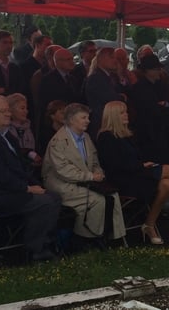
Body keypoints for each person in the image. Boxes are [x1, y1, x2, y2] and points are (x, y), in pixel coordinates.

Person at [0, 94, 61, 262]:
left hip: (10, 190)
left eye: (8, 110)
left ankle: (44, 243)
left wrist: (36, 186)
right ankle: (35, 250)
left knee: (53, 196)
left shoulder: (7, 136)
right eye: (3, 111)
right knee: (44, 202)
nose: (8, 114)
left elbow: (20, 169)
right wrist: (27, 189)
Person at [96, 101, 169, 245]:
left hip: (135, 173)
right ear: (114, 116)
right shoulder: (106, 137)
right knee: (167, 169)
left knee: (166, 184)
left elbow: (134, 158)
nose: (126, 115)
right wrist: (141, 165)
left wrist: (142, 164)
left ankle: (149, 225)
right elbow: (115, 165)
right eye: (122, 113)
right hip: (122, 180)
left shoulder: (126, 134)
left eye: (126, 111)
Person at [43, 103, 126, 243]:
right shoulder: (58, 142)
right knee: (97, 200)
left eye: (88, 117)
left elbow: (94, 161)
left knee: (113, 195)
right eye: (83, 117)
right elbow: (64, 171)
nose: (88, 121)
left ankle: (115, 237)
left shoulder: (86, 137)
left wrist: (97, 172)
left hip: (84, 181)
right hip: (62, 185)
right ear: (71, 120)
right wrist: (91, 176)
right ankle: (89, 239)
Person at [84, 47, 126, 136]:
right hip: (103, 123)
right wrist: (122, 97)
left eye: (115, 58)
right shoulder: (96, 78)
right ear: (100, 59)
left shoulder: (110, 76)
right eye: (111, 57)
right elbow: (112, 99)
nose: (115, 61)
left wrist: (120, 75)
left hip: (110, 123)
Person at [6, 93, 42, 179]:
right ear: (10, 110)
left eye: (26, 108)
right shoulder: (5, 130)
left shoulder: (31, 128)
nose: (26, 111)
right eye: (22, 108)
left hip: (33, 172)